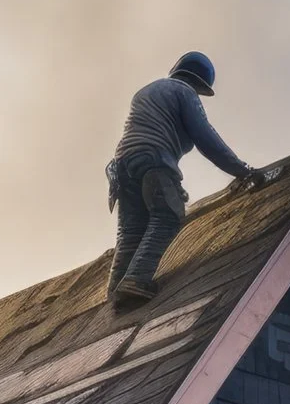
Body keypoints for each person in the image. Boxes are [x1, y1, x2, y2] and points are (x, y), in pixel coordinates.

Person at [105, 51, 268, 307]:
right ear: (200, 85)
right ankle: (136, 279)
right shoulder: (184, 92)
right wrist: (243, 170)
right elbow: (207, 139)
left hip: (122, 165)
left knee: (131, 231)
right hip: (153, 158)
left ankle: (116, 294)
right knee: (168, 215)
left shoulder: (147, 91)